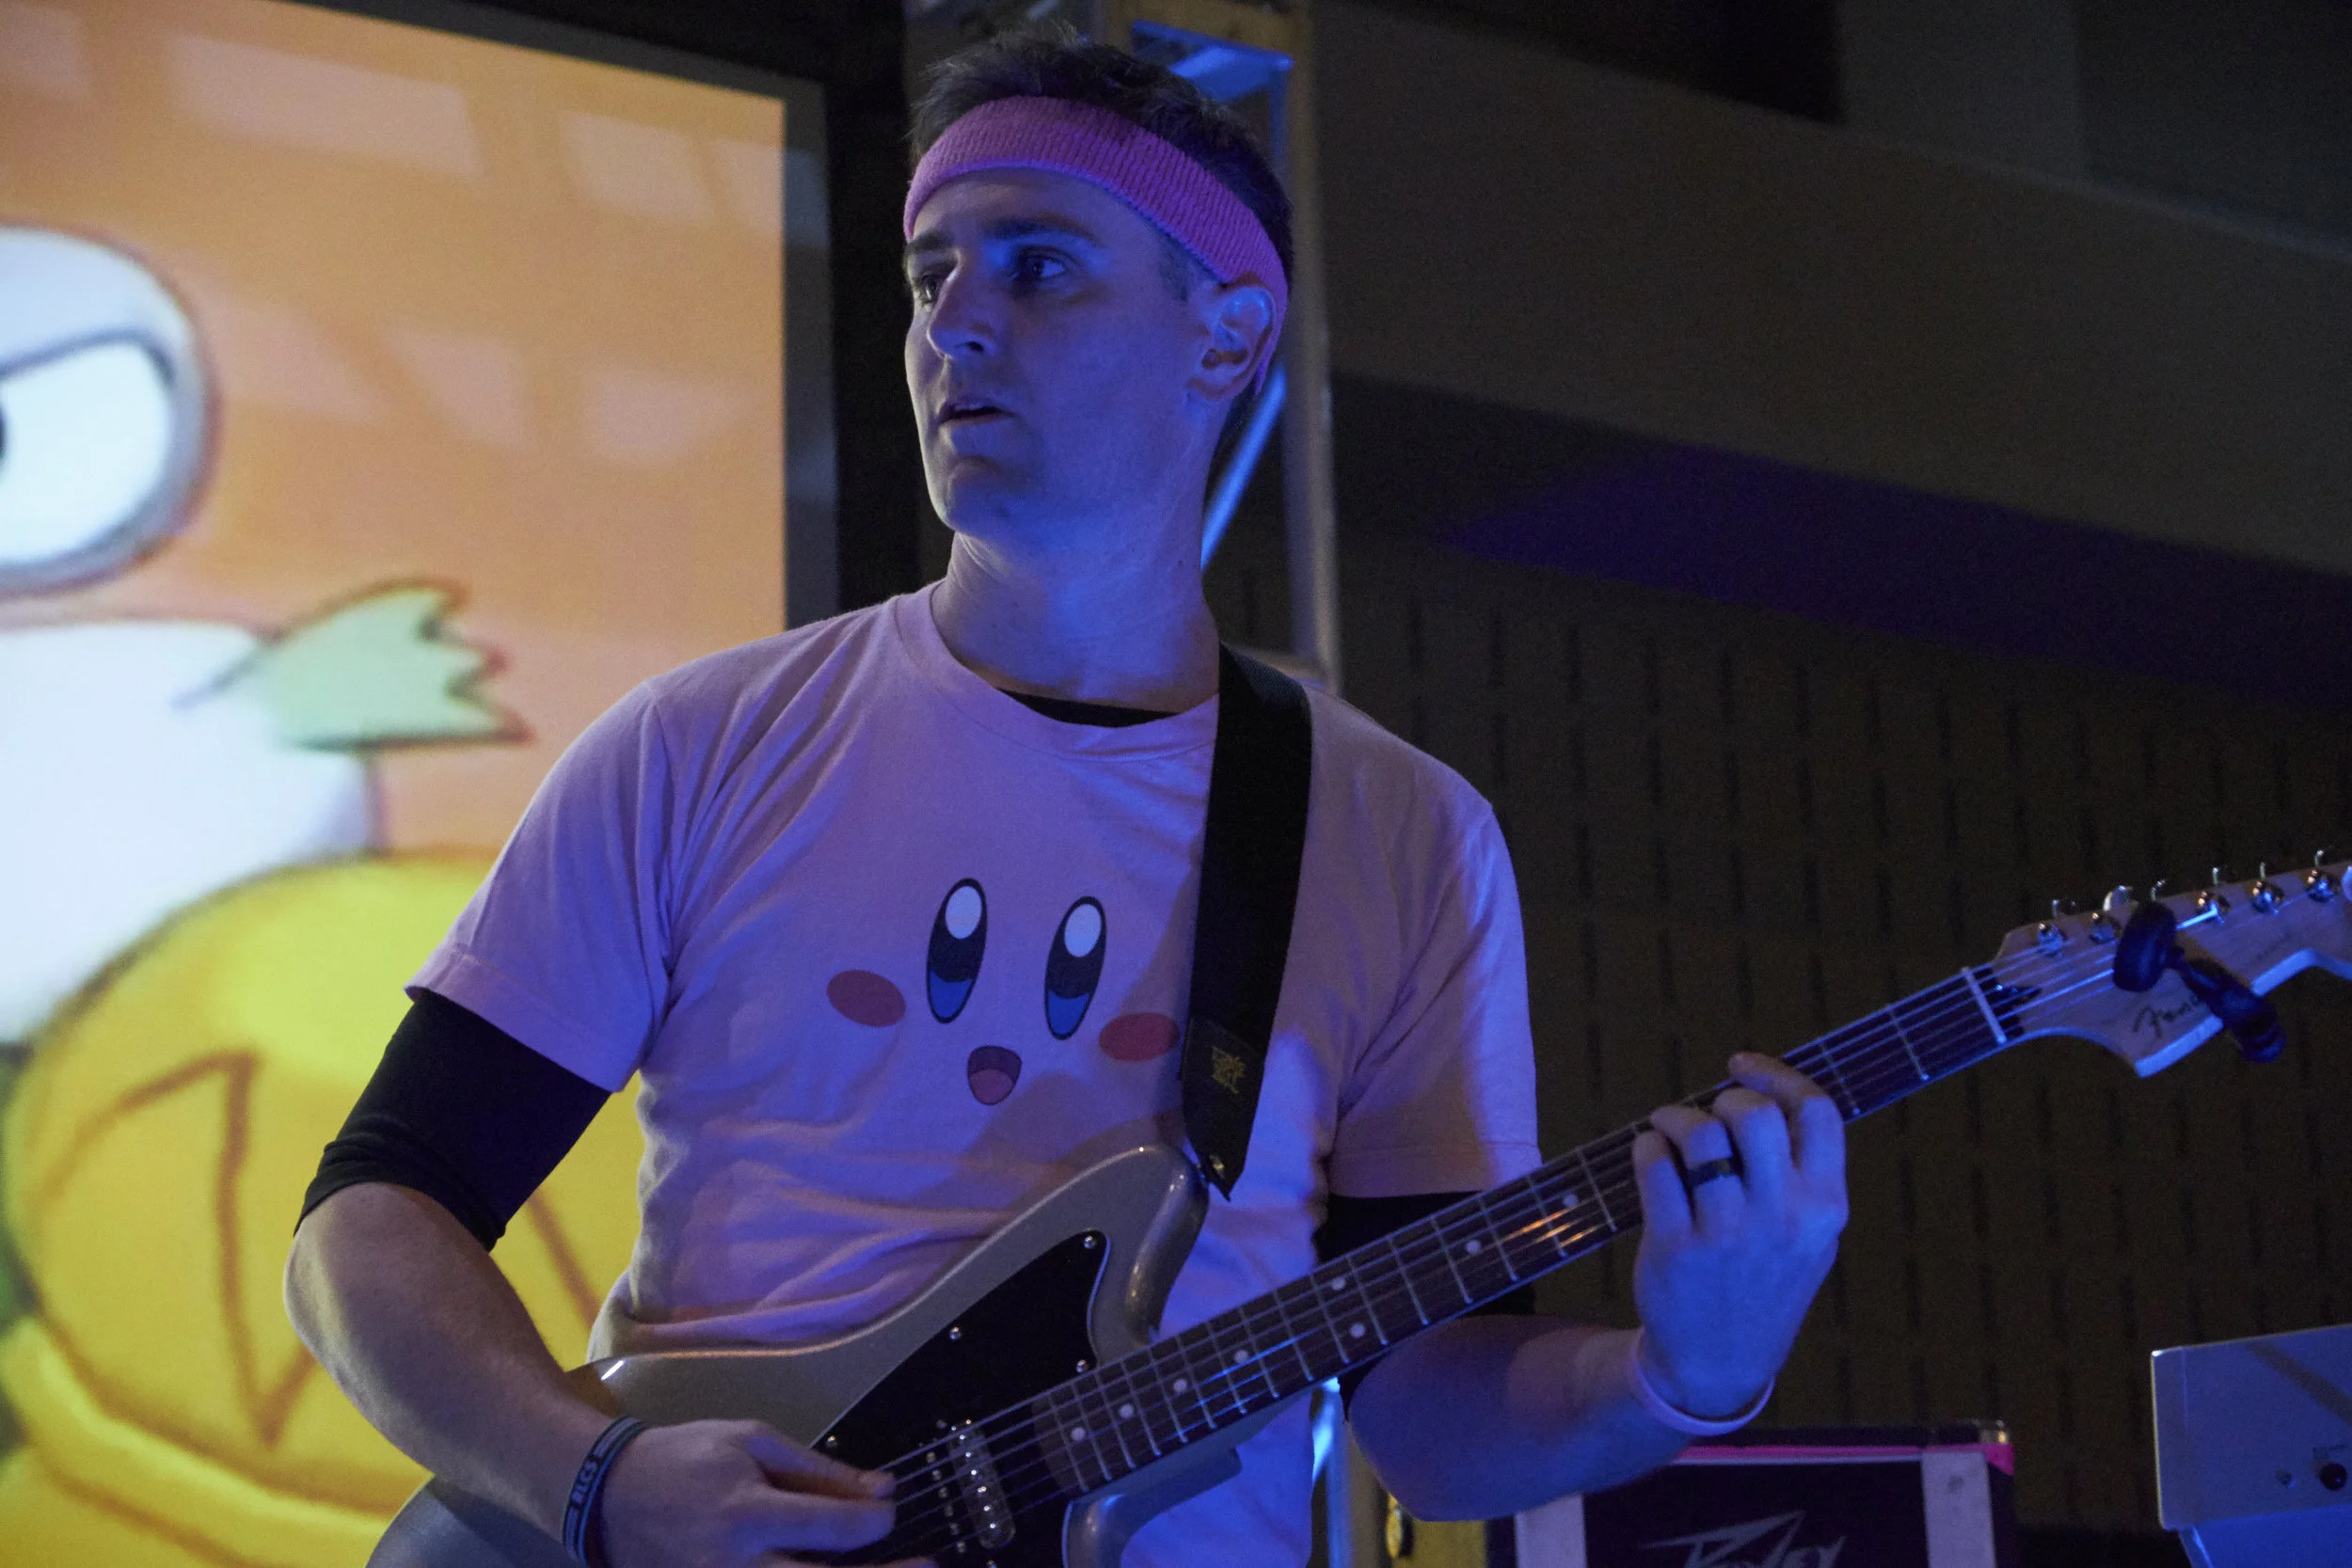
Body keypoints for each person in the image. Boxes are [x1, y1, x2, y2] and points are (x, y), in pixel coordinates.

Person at [285, 29, 1848, 1568]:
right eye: (930, 278)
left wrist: (1684, 1370)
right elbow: (373, 1214)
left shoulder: (1404, 836)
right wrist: (592, 1480)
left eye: (1038, 268)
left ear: (1227, 338)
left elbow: (1430, 1424)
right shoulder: (696, 747)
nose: (955, 325)